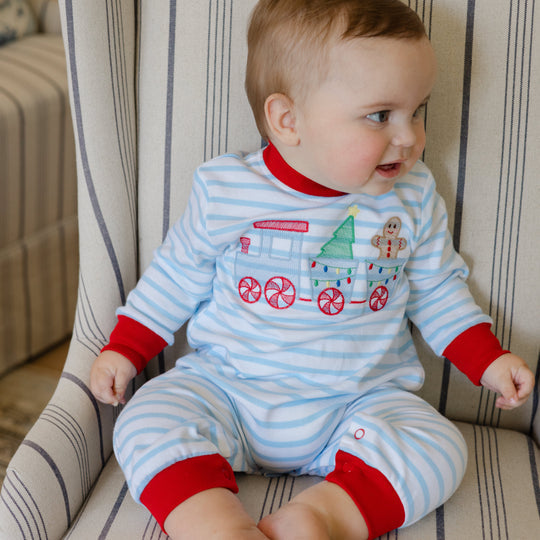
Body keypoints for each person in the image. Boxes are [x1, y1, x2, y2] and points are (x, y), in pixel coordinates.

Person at [90, 1, 535, 538]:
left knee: (439, 447)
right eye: (380, 115)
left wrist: (488, 359)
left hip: (357, 406)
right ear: (288, 120)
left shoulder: (412, 197)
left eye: (417, 110)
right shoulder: (227, 189)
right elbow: (175, 276)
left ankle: (319, 518)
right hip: (227, 390)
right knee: (146, 418)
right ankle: (215, 525)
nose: (411, 137)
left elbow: (437, 290)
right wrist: (126, 347)